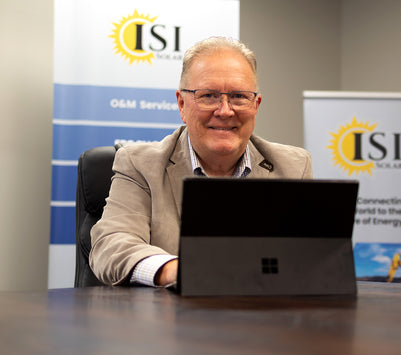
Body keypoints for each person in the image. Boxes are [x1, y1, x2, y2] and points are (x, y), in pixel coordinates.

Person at [89, 37, 313, 287]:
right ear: (182, 104)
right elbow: (111, 244)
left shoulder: (293, 166)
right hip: (170, 319)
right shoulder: (140, 163)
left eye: (239, 96)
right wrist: (182, 271)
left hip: (261, 319)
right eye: (209, 96)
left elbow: (309, 257)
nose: (225, 110)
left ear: (256, 105)